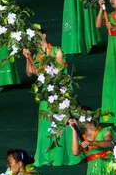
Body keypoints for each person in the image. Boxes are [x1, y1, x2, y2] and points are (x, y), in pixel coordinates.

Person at [22, 32, 83, 167]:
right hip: (46, 91)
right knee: (47, 121)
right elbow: (29, 72)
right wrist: (28, 58)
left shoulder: (57, 51)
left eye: (38, 36)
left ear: (44, 35)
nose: (36, 39)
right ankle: (48, 155)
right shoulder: (36, 54)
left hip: (60, 89)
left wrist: (41, 68)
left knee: (63, 120)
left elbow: (59, 72)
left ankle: (66, 155)